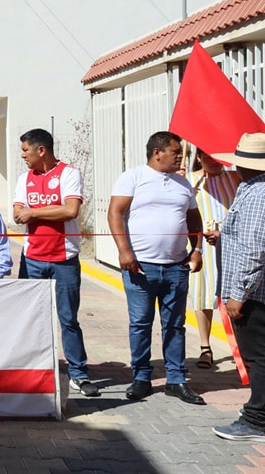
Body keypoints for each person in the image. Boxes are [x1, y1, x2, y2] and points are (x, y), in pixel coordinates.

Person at [108, 131, 205, 405]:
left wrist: (196, 250)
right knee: (140, 324)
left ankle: (176, 380)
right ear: (157, 152)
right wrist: (124, 251)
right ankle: (141, 377)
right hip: (140, 266)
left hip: (176, 267)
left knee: (175, 325)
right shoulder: (133, 177)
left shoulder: (183, 183)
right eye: (176, 151)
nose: (180, 156)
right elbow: (115, 212)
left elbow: (194, 218)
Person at [13, 128, 98, 397]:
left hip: (64, 260)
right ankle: (34, 370)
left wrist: (33, 213)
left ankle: (78, 373)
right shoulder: (24, 178)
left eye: (25, 150)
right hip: (32, 259)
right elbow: (17, 214)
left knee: (68, 319)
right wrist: (32, 213)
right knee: (31, 319)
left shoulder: (69, 173)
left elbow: (70, 210)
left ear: (41, 150)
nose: (23, 156)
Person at [211, 133, 265, 441]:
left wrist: (238, 295)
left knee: (258, 357)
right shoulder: (251, 189)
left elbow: (255, 248)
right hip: (253, 291)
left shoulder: (258, 194)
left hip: (253, 294)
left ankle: (257, 419)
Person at [186, 148, 241, 369]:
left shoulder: (235, 177)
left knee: (234, 294)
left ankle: (240, 347)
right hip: (202, 246)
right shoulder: (189, 181)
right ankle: (205, 347)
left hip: (229, 243)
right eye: (207, 156)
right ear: (199, 157)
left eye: (217, 157)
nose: (213, 161)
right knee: (203, 292)